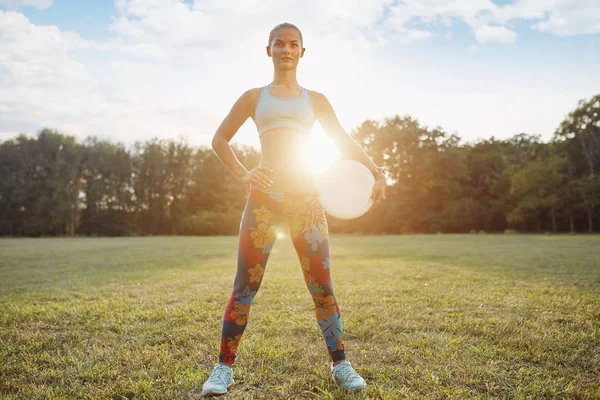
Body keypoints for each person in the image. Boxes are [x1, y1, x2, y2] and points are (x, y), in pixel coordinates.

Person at [201, 22, 387, 396]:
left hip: (307, 204)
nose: (286, 50)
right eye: (279, 44)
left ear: (303, 52)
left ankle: (341, 365)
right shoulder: (254, 97)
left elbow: (343, 141)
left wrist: (376, 170)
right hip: (263, 206)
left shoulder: (315, 99)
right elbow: (219, 139)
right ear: (267, 50)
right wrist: (243, 175)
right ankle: (223, 369)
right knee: (243, 289)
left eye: (293, 45)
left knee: (322, 288)